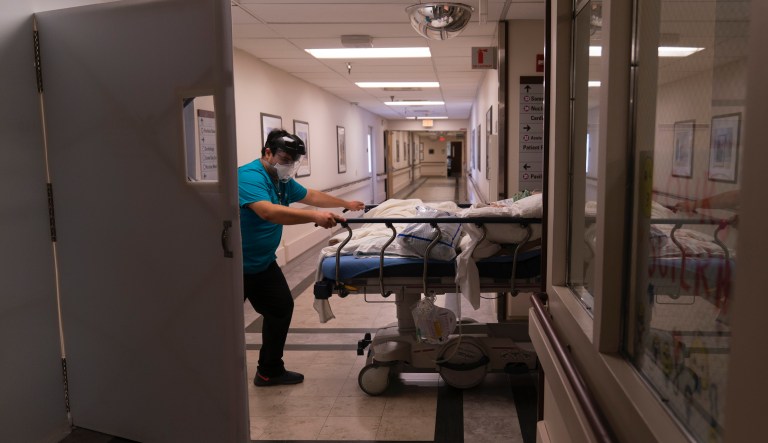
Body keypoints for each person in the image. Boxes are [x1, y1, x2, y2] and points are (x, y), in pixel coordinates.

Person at [239, 129, 364, 387]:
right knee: (219, 323)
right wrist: (314, 216)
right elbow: (268, 212)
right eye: (285, 158)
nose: (290, 165)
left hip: (261, 263)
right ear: (268, 153)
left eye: (294, 161)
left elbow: (311, 195)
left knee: (280, 308)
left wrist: (345, 203)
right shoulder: (249, 176)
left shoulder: (280, 180)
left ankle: (269, 371)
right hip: (231, 266)